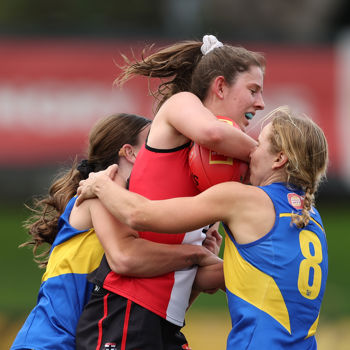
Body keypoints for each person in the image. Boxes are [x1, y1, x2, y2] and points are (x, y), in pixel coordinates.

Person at [77, 106, 329, 349]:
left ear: (279, 159)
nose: (250, 152)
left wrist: (100, 184)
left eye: (259, 144)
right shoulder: (312, 218)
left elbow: (138, 214)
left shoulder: (246, 200)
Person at [75, 34, 265, 350]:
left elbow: (194, 277)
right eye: (253, 90)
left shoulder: (221, 171)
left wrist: (261, 270)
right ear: (220, 87)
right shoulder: (182, 104)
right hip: (126, 309)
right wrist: (270, 159)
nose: (260, 103)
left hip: (165, 323)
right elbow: (211, 132)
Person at [10, 113, 219, 350]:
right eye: (152, 144)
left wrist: (197, 268)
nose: (163, 150)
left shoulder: (134, 218)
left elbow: (154, 307)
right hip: (48, 342)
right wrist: (195, 255)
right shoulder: (99, 190)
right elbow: (124, 258)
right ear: (129, 152)